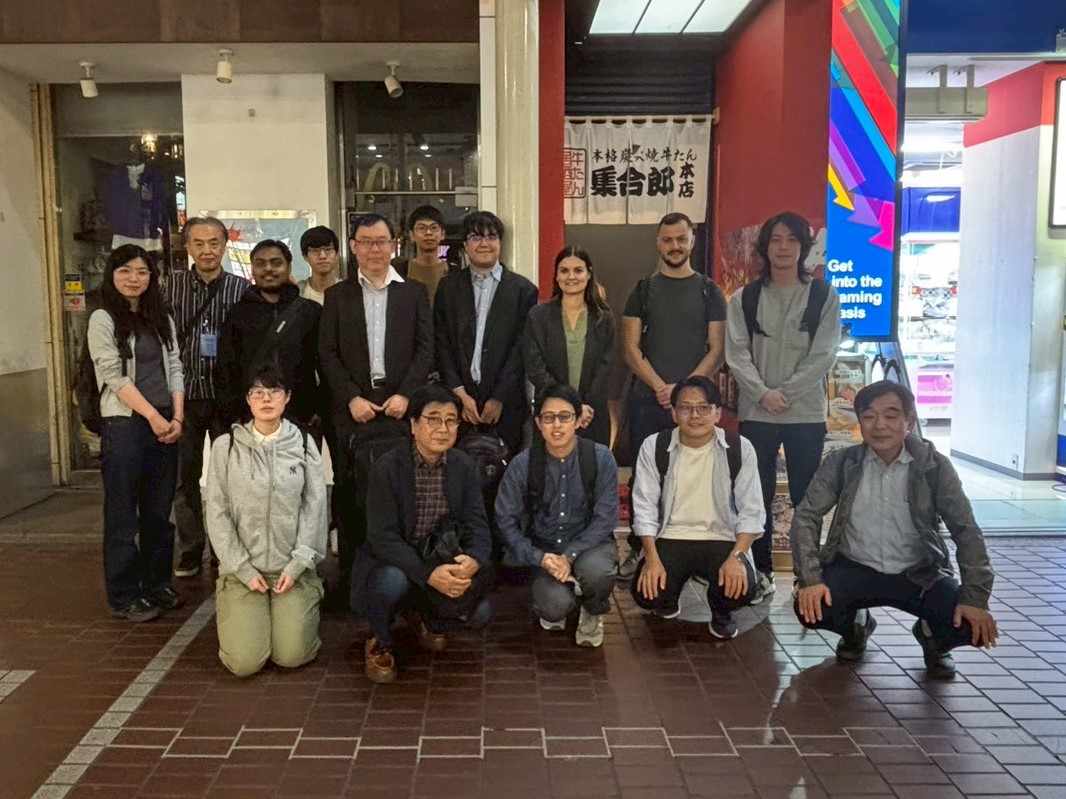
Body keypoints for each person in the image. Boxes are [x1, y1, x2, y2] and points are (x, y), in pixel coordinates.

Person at [791, 381, 997, 679]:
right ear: (860, 421)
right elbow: (807, 515)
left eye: (891, 416)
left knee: (966, 624)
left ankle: (932, 636)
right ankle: (856, 627)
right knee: (812, 608)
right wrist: (810, 579)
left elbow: (966, 530)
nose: (880, 425)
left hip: (920, 574)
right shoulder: (842, 462)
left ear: (909, 421)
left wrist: (975, 598)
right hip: (853, 567)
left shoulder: (934, 466)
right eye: (869, 416)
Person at [726, 211, 841, 604]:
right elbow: (737, 354)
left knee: (806, 497)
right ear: (765, 247)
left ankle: (807, 576)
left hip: (805, 413)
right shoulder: (745, 298)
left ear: (804, 247)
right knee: (753, 495)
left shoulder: (823, 296)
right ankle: (761, 573)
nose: (783, 247)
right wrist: (763, 394)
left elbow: (824, 353)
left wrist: (785, 393)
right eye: (776, 240)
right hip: (756, 413)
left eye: (792, 240)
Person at [318, 213, 433, 596]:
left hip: (401, 405)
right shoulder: (338, 295)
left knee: (402, 493)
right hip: (353, 407)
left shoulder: (414, 293)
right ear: (353, 247)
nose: (374, 249)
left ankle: (405, 581)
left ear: (394, 245)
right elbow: (327, 352)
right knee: (350, 494)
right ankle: (354, 583)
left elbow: (425, 349)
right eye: (366, 242)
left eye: (381, 241)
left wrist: (406, 395)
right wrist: (351, 396)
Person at [354, 385, 494, 683]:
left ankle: (427, 619)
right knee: (391, 581)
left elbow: (478, 523)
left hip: (441, 557)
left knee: (481, 612)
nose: (443, 428)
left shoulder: (464, 466)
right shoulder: (386, 468)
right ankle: (380, 638)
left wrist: (474, 559)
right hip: (396, 562)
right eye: (433, 419)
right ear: (414, 425)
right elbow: (383, 537)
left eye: (451, 420)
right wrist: (427, 574)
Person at [617, 212, 728, 579]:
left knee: (692, 477)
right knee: (644, 479)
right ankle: (639, 549)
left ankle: (688, 554)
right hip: (649, 400)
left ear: (692, 241)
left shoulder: (709, 291)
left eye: (681, 239)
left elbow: (717, 349)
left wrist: (683, 393)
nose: (675, 246)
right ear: (658, 243)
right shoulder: (642, 290)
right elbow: (630, 348)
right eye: (668, 240)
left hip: (694, 407)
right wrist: (660, 387)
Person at [205, 364, 328, 677]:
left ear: (287, 397)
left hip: (291, 571)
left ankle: (295, 609)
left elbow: (315, 507)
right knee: (244, 663)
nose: (266, 399)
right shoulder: (225, 447)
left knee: (291, 655)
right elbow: (217, 511)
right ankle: (244, 609)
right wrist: (242, 569)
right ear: (248, 399)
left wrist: (298, 564)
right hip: (244, 572)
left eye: (274, 391)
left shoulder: (304, 444)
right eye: (257, 392)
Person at [88, 245, 185, 621]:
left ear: (151, 277)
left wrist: (177, 417)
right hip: (126, 424)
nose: (134, 278)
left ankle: (157, 584)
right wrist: (153, 417)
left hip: (165, 420)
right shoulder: (103, 318)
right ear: (112, 274)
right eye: (125, 271)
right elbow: (113, 375)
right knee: (123, 513)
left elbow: (174, 365)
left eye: (142, 272)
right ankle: (125, 594)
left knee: (159, 510)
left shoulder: (160, 316)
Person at [630, 376, 764, 639]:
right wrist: (651, 560)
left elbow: (752, 511)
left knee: (741, 587)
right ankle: (667, 601)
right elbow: (644, 507)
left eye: (703, 408)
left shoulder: (739, 448)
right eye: (685, 408)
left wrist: (737, 557)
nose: (694, 416)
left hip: (722, 538)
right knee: (647, 593)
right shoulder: (655, 446)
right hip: (670, 536)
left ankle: (722, 612)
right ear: (673, 413)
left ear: (717, 413)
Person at [494, 384, 619, 647]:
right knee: (553, 608)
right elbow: (505, 521)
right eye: (548, 417)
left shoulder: (600, 458)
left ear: (578, 420)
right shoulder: (522, 464)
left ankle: (592, 608)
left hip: (589, 545)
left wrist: (569, 555)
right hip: (545, 550)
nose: (557, 425)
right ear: (538, 423)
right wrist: (540, 558)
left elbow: (605, 518)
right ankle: (566, 596)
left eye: (565, 416)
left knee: (598, 572)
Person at [164, 216, 250, 578]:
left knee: (228, 477)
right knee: (184, 476)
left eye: (214, 243)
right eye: (198, 243)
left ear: (225, 246)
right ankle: (190, 548)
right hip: (183, 396)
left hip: (225, 396)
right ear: (188, 247)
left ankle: (224, 548)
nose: (207, 250)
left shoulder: (241, 289)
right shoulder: (170, 286)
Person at [434, 210, 539, 454]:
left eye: (491, 237)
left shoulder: (523, 290)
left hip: (507, 406)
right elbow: (441, 343)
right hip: (456, 405)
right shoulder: (449, 287)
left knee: (506, 473)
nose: (484, 244)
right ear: (465, 245)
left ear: (501, 243)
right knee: (456, 471)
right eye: (475, 237)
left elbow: (521, 349)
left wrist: (499, 397)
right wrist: (459, 393)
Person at [215, 239, 322, 429]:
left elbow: (324, 363)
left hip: (302, 415)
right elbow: (226, 367)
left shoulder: (310, 312)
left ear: (289, 267)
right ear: (253, 269)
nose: (268, 269)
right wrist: (234, 414)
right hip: (251, 417)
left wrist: (318, 408)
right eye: (260, 263)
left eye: (276, 263)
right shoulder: (238, 314)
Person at [523, 247, 615, 446]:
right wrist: (568, 406)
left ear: (589, 274)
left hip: (591, 414)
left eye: (578, 270)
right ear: (556, 276)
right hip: (551, 415)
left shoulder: (604, 319)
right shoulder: (538, 316)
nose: (571, 277)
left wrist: (583, 408)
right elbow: (535, 366)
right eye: (564, 271)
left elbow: (606, 367)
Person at [394, 205, 450, 304]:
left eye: (434, 227)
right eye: (421, 228)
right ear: (411, 235)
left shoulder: (453, 273)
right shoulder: (399, 271)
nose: (428, 232)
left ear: (442, 234)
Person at [297, 225, 342, 305]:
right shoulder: (298, 292)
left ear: (337, 254)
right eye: (315, 250)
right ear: (305, 257)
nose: (322, 256)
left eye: (328, 249)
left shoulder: (348, 292)